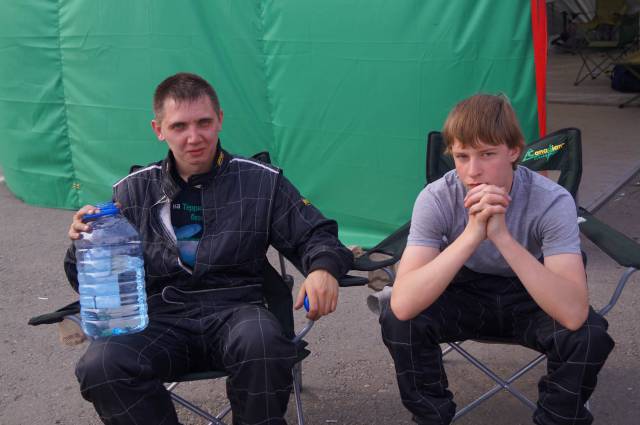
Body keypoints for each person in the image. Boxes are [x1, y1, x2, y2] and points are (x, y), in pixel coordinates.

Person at [64, 72, 353, 425]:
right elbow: (87, 278)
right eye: (179, 126)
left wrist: (322, 269)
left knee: (263, 342)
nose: (194, 137)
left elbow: (316, 234)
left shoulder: (260, 181)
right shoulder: (133, 191)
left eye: (203, 122)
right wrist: (83, 241)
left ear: (220, 120)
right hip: (160, 318)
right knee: (101, 366)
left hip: (236, 310)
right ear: (159, 129)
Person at [380, 94, 614, 425]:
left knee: (589, 336)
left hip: (530, 295)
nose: (473, 171)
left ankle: (556, 419)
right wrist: (472, 234)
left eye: (487, 154)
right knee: (398, 320)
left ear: (514, 151)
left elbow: (573, 314)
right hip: (463, 292)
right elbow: (403, 305)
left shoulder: (551, 200)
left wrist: (502, 237)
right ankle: (431, 418)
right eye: (462, 156)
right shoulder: (437, 198)